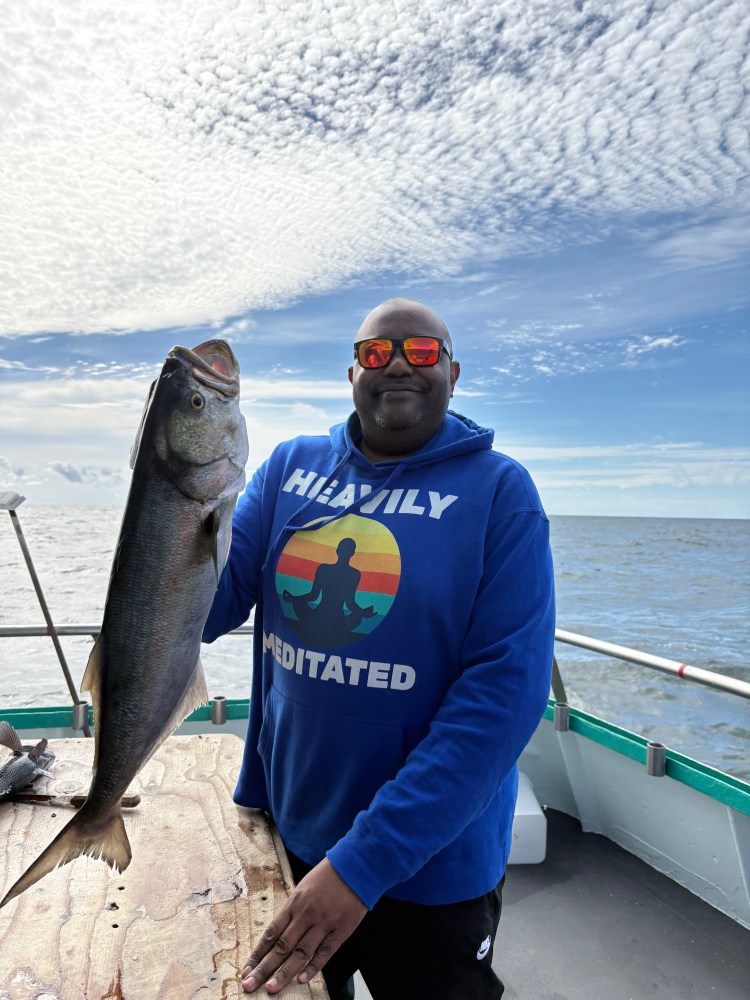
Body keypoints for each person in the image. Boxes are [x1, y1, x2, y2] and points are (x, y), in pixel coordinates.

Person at [202, 297, 555, 999]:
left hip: (433, 869)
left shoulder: (500, 493)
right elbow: (206, 611)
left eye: (422, 353)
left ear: (453, 371)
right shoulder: (287, 469)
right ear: (352, 372)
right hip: (294, 837)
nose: (397, 363)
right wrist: (170, 494)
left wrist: (365, 863)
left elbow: (499, 705)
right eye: (376, 351)